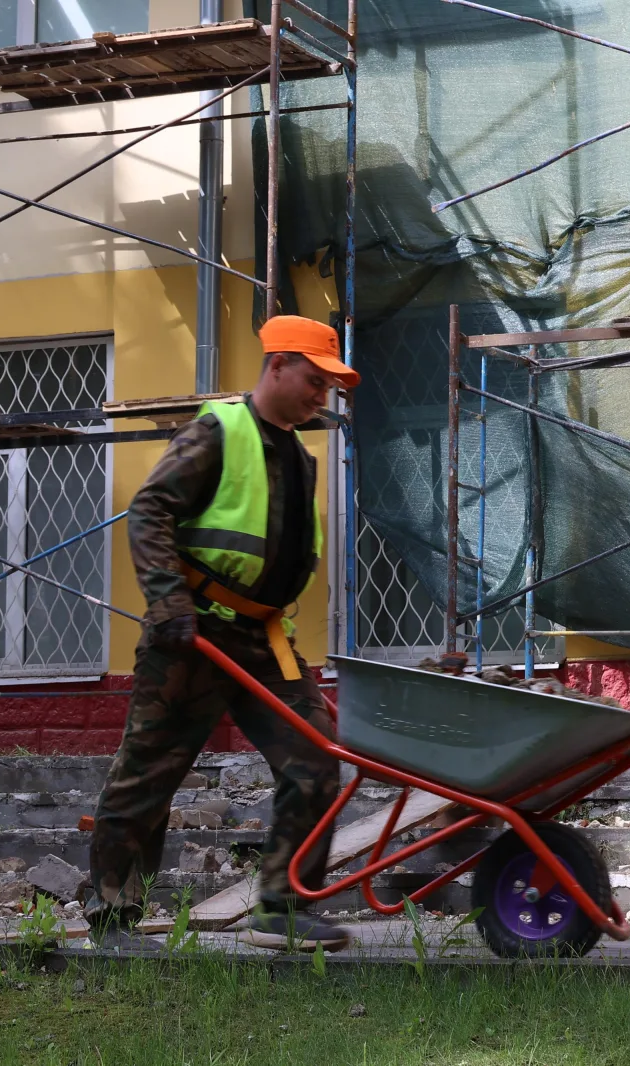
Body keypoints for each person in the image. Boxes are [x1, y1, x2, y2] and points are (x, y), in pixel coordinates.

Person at [84, 315, 359, 952]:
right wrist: (167, 600)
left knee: (316, 759)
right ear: (278, 366)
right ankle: (113, 920)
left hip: (265, 639)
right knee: (150, 773)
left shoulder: (299, 455)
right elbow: (150, 508)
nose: (322, 396)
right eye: (315, 381)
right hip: (192, 631)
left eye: (329, 387)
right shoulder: (219, 431)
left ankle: (281, 908)